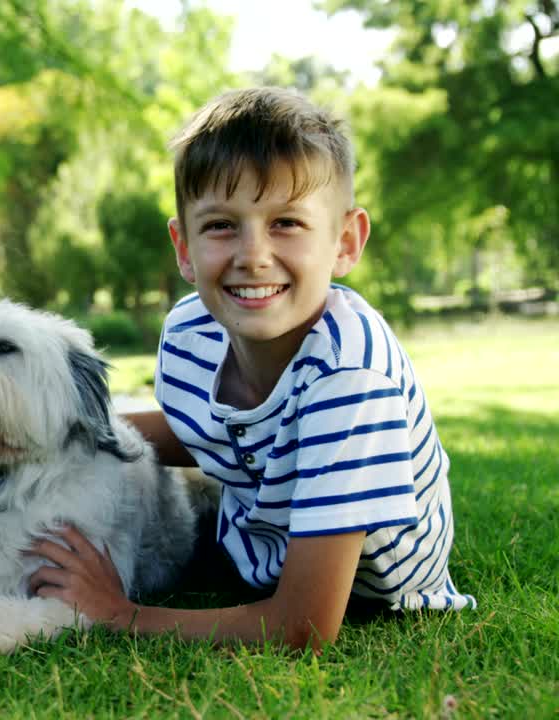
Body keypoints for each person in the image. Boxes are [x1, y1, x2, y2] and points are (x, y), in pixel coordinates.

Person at [28, 87, 476, 651]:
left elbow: (303, 626)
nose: (253, 254)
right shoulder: (192, 332)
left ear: (344, 241)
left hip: (366, 593)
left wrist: (120, 613)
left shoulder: (349, 377)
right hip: (255, 551)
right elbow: (206, 436)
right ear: (184, 247)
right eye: (221, 225)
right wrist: (65, 432)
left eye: (286, 222)